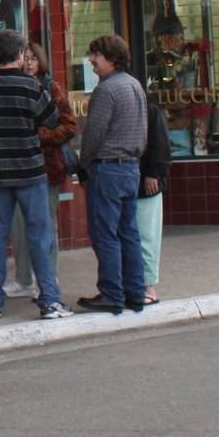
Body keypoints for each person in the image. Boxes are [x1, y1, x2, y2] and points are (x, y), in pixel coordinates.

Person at [0, 29, 72, 321]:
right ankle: (50, 301)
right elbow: (51, 120)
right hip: (29, 171)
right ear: (18, 55)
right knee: (39, 235)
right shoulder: (31, 85)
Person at [77, 32, 149, 314]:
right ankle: (135, 292)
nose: (91, 60)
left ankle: (111, 293)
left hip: (107, 169)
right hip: (131, 167)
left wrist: (84, 165)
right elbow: (145, 131)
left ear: (113, 59)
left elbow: (93, 134)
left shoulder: (106, 90)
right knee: (128, 233)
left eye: (96, 55)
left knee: (105, 234)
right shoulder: (134, 86)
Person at [8, 40, 75, 300]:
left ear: (41, 60)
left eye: (32, 58)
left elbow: (69, 126)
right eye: (24, 58)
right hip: (19, 168)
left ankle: (49, 279)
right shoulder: (16, 86)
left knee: (45, 224)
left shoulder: (51, 87)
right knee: (18, 224)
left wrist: (38, 136)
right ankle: (23, 279)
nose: (28, 63)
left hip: (49, 169)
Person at [135, 61, 172, 305]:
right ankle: (136, 284)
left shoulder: (149, 110)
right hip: (131, 180)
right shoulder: (136, 110)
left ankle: (148, 288)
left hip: (147, 182)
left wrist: (154, 175)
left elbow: (160, 146)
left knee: (146, 236)